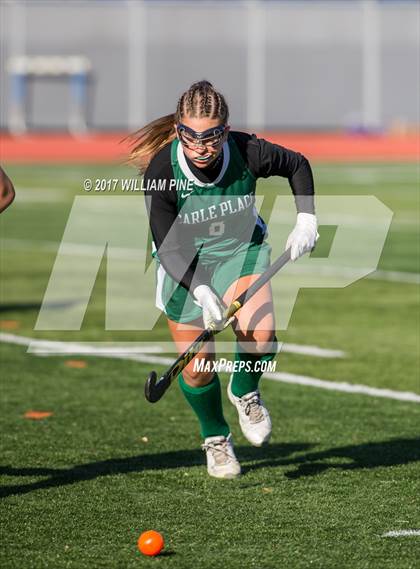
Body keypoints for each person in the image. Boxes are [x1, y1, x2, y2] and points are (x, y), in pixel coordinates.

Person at [128, 80, 318, 479]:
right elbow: (167, 246)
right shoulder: (162, 170)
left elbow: (297, 164)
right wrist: (200, 288)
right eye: (190, 136)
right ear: (178, 130)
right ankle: (215, 437)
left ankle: (245, 390)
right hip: (182, 263)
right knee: (198, 368)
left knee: (261, 335)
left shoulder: (248, 151)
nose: (201, 147)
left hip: (239, 251)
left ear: (225, 131)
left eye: (211, 136)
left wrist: (306, 219)